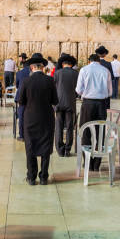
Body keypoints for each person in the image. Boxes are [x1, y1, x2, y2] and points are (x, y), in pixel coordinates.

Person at [18, 54, 59, 185]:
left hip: (30, 118)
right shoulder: (50, 80)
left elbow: (21, 101)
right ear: (42, 67)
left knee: (30, 147)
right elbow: (55, 100)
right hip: (46, 117)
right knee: (46, 147)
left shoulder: (25, 81)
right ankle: (43, 177)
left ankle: (31, 177)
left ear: (31, 67)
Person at [76, 53, 112, 171]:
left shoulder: (84, 70)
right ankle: (97, 163)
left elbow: (78, 89)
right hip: (101, 104)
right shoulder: (105, 70)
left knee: (86, 131)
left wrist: (87, 93)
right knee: (100, 132)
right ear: (99, 61)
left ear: (89, 61)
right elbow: (110, 91)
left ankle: (87, 162)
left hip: (88, 104)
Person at [54, 55, 78, 157]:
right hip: (70, 103)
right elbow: (78, 88)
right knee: (69, 127)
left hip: (58, 103)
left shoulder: (57, 73)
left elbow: (53, 87)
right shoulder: (76, 74)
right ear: (71, 64)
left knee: (58, 126)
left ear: (63, 64)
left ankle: (60, 149)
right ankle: (67, 149)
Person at [15, 53, 29, 141]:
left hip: (21, 97)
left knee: (21, 115)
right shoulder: (32, 73)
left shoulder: (19, 73)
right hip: (31, 97)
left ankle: (22, 135)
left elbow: (17, 86)